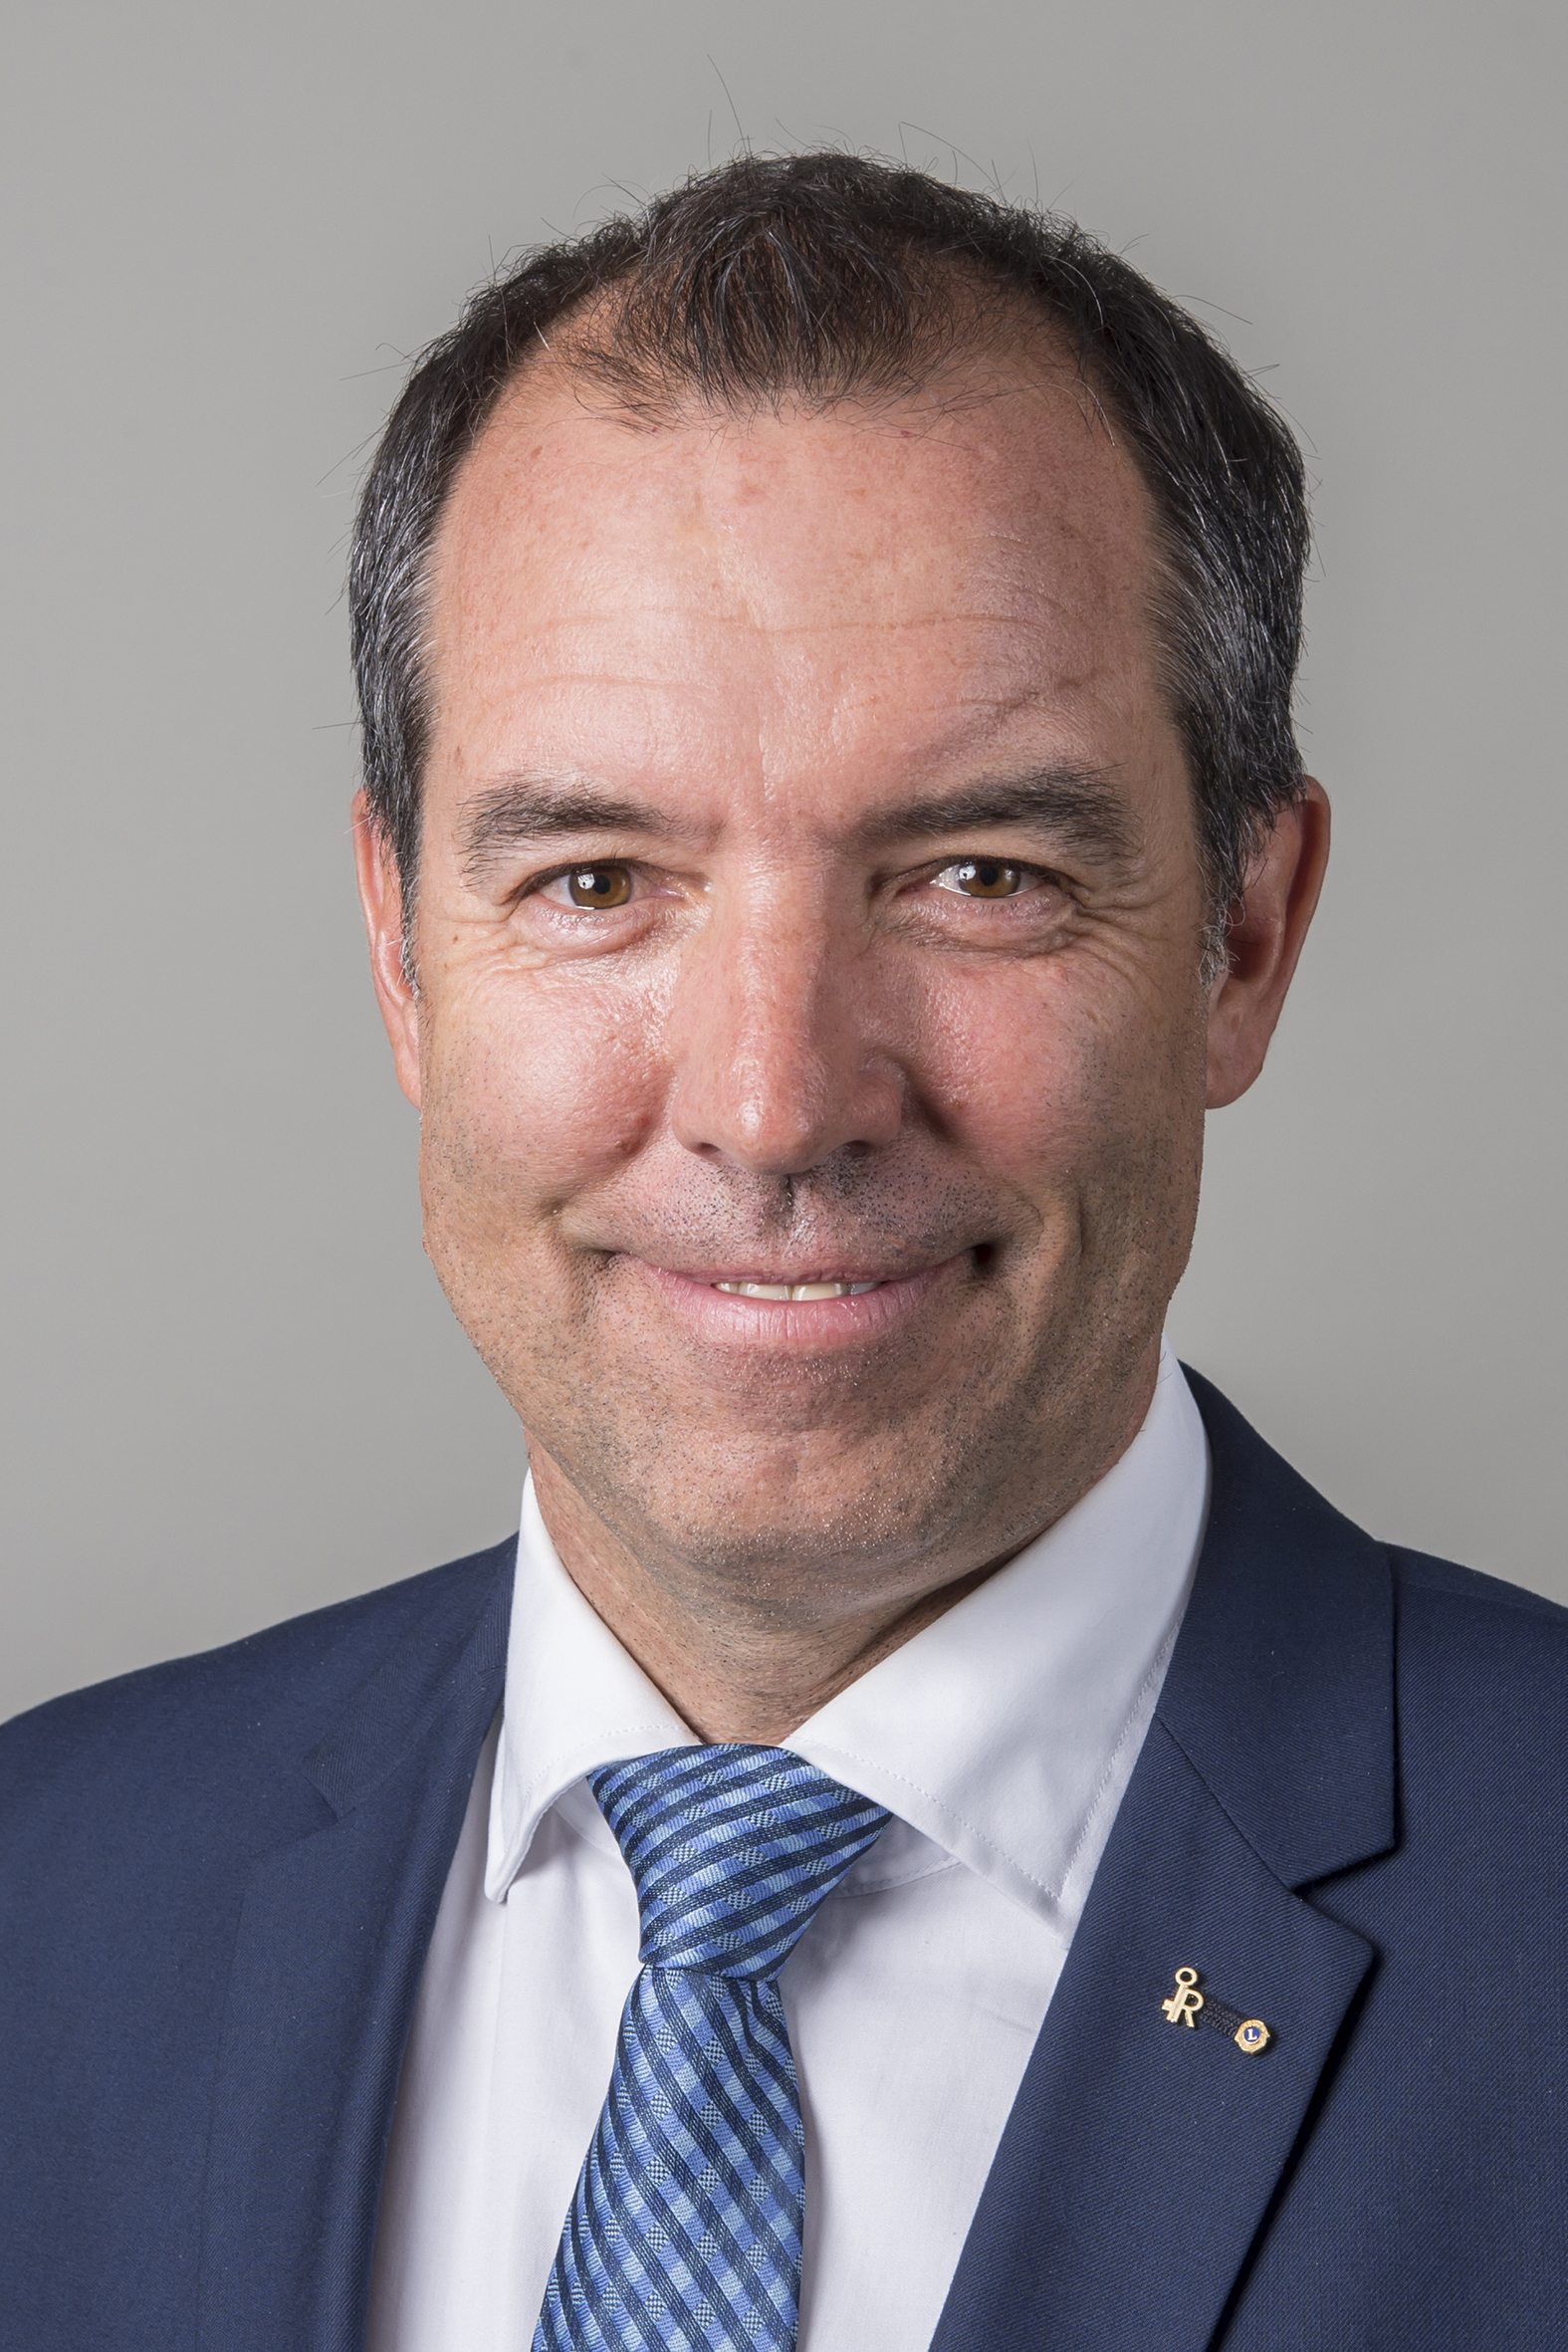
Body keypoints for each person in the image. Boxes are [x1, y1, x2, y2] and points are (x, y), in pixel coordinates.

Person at [1, 150, 1563, 2352]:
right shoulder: (45, 1904)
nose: (770, 1099)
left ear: (1243, 933)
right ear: (400, 947)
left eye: (981, 875)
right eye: (594, 880)